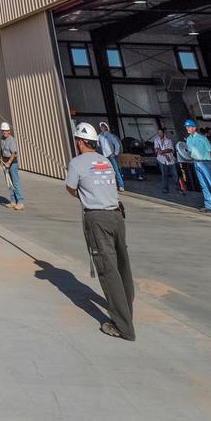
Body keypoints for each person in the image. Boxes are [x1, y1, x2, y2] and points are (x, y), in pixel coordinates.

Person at [65, 122, 135, 341]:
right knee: (123, 265)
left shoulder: (76, 163)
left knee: (108, 269)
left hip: (97, 219)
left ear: (79, 142)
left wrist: (81, 193)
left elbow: (71, 188)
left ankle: (123, 327)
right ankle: (126, 306)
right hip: (117, 215)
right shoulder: (105, 161)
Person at [183, 118, 211, 215]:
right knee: (204, 186)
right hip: (196, 162)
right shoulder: (188, 139)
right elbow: (190, 152)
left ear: (194, 128)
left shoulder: (202, 138)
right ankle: (209, 206)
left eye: (189, 127)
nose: (187, 129)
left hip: (205, 163)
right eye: (186, 127)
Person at [0, 121, 24, 210]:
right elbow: (1, 150)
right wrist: (1, 160)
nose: (4, 132)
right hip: (5, 163)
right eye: (3, 131)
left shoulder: (11, 140)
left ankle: (20, 202)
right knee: (9, 183)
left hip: (12, 163)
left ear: (9, 131)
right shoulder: (2, 139)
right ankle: (13, 201)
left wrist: (9, 162)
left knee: (15, 182)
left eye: (6, 131)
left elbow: (13, 153)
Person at [97, 121, 125, 192]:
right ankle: (109, 185)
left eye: (102, 127)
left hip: (111, 155)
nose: (101, 128)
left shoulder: (110, 135)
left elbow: (117, 145)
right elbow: (97, 144)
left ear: (105, 128)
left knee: (116, 170)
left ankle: (121, 185)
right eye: (101, 127)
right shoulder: (99, 136)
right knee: (105, 171)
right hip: (104, 156)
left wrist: (115, 153)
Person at [152, 128, 178, 193]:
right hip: (161, 160)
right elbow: (157, 150)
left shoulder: (169, 140)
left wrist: (163, 151)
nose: (159, 134)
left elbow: (171, 150)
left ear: (163, 133)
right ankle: (165, 188)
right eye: (158, 133)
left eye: (160, 133)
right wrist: (165, 154)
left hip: (171, 159)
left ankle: (178, 186)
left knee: (175, 174)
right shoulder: (156, 140)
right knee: (164, 174)